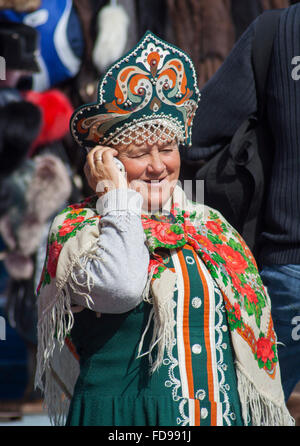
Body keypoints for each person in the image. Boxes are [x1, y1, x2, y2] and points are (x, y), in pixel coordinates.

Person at [35, 31, 293, 427]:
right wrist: (116, 197)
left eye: (167, 148)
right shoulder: (79, 232)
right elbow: (121, 288)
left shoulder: (210, 228)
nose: (158, 165)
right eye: (139, 152)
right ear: (107, 160)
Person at [183, 3, 300, 403]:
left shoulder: (278, 31)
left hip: (289, 270)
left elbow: (198, 135)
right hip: (289, 270)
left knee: (256, 408)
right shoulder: (276, 32)